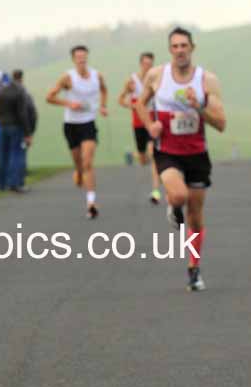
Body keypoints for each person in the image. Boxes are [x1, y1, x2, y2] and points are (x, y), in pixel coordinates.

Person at [135, 27, 226, 291]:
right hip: (168, 151)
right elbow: (139, 103)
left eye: (184, 45)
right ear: (169, 50)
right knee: (178, 196)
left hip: (197, 153)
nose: (180, 51)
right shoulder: (157, 75)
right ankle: (173, 208)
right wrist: (150, 126)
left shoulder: (206, 80)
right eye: (175, 46)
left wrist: (199, 106)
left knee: (196, 217)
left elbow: (221, 123)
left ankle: (193, 269)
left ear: (192, 48)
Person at [46, 45, 108, 218]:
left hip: (88, 123)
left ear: (87, 57)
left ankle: (91, 203)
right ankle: (79, 171)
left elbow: (104, 89)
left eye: (84, 56)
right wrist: (68, 104)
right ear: (73, 59)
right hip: (71, 125)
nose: (82, 59)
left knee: (88, 162)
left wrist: (103, 106)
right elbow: (49, 97)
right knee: (79, 163)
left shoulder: (97, 76)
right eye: (78, 57)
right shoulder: (68, 78)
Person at [118, 53, 161, 205]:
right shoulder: (132, 81)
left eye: (150, 64)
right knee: (143, 159)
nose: (148, 67)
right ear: (140, 64)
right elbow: (120, 99)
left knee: (153, 153)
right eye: (145, 64)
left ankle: (155, 191)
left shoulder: (157, 79)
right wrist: (132, 105)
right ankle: (141, 156)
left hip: (152, 121)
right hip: (138, 123)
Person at [0, 72, 33, 192]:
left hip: (2, 126)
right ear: (21, 78)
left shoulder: (2, 90)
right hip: (16, 127)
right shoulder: (20, 91)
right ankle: (15, 183)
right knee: (16, 154)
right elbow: (22, 113)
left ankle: (1, 184)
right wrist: (27, 133)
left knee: (3, 155)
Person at [12, 69, 37, 181]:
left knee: (11, 154)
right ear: (22, 78)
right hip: (21, 128)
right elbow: (31, 112)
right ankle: (20, 179)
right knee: (20, 153)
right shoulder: (23, 92)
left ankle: (11, 179)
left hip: (7, 127)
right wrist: (29, 132)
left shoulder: (5, 90)